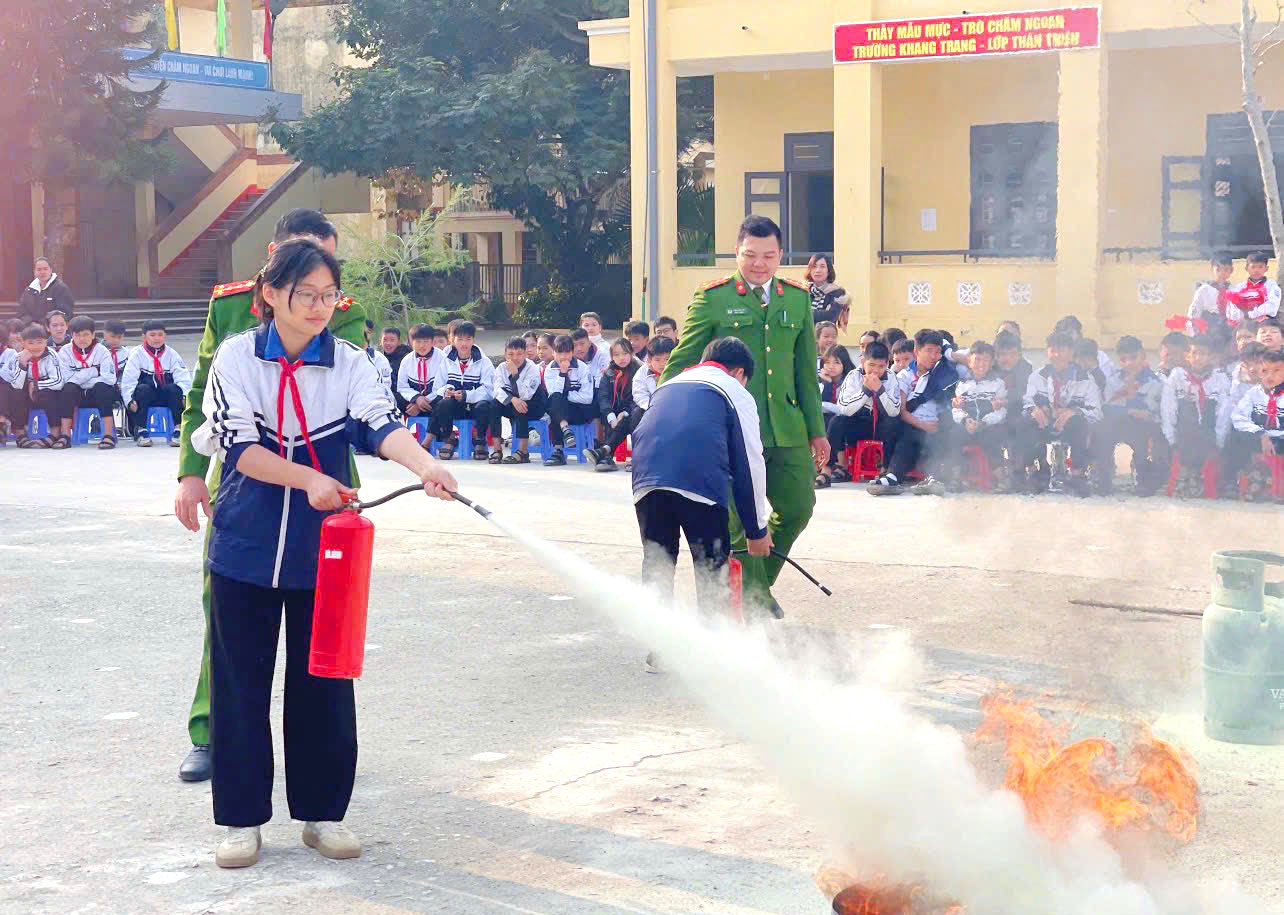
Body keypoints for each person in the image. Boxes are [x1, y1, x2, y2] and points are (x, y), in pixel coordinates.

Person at [189, 239, 457, 869]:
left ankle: (321, 813)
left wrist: (425, 466)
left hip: (326, 553)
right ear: (271, 295)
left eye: (327, 295)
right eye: (304, 294)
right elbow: (239, 447)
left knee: (325, 684)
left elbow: (380, 423)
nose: (317, 307)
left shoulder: (351, 363)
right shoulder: (236, 358)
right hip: (246, 547)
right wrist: (307, 479)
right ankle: (240, 822)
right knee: (240, 685)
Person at [173, 207, 371, 785]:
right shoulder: (229, 308)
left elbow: (355, 402)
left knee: (322, 621)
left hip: (322, 484)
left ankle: (318, 764)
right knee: (229, 611)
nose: (320, 293)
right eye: (304, 268)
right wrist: (190, 470)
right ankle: (212, 732)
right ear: (273, 261)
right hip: (246, 475)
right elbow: (199, 396)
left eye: (329, 276)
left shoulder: (347, 314)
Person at [659, 215, 827, 619]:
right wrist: (667, 413)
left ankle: (754, 588)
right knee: (737, 525)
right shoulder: (713, 297)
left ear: (781, 255)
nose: (759, 264)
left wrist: (817, 431)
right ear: (737, 253)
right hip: (728, 430)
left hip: (786, 427)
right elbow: (683, 361)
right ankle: (749, 604)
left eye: (768, 256)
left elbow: (806, 369)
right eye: (750, 255)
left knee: (799, 506)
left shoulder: (797, 297)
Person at [631, 336, 771, 666]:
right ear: (739, 372)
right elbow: (750, 461)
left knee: (658, 563)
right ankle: (715, 650)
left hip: (646, 482)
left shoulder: (669, 384)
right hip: (699, 485)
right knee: (710, 564)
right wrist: (756, 529)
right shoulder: (734, 391)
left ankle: (659, 648)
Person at [867, 329, 957, 496]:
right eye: (929, 350)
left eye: (937, 352)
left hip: (937, 425)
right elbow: (902, 411)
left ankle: (934, 478)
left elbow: (964, 356)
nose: (934, 355)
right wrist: (923, 425)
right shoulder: (905, 376)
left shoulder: (943, 374)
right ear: (917, 351)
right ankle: (893, 476)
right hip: (914, 424)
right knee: (909, 435)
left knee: (948, 425)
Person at [1015, 331, 1102, 494]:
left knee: (1079, 423)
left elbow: (1097, 412)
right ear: (1047, 352)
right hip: (1045, 424)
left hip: (1070, 427)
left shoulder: (1086, 380)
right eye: (1052, 350)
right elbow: (1027, 401)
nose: (1057, 355)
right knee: (1025, 423)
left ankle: (1076, 475)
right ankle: (1035, 471)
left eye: (1061, 350)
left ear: (1071, 353)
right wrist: (1034, 410)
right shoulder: (1037, 376)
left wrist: (1074, 412)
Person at [821, 340, 900, 487]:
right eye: (871, 365)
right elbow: (844, 408)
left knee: (893, 423)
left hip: (882, 425)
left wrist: (880, 390)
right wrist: (865, 391)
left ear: (887, 364)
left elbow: (894, 411)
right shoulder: (853, 376)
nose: (875, 371)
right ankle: (826, 470)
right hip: (859, 423)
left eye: (881, 366)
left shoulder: (891, 377)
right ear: (863, 361)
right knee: (837, 422)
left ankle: (885, 470)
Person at [1161, 334, 1232, 494]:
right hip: (1184, 432)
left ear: (1212, 357)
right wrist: (1171, 437)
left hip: (1209, 432)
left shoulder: (1220, 379)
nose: (1198, 358)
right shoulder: (1178, 376)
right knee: (1187, 413)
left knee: (1206, 421)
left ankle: (1199, 474)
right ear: (1187, 355)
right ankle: (1187, 472)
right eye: (1194, 353)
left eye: (1203, 353)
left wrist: (1219, 440)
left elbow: (1223, 413)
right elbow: (1168, 408)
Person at [1099, 336, 1165, 495]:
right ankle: (1103, 475)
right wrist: (1129, 410)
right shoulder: (1114, 379)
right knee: (1102, 430)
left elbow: (1150, 412)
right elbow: (1107, 407)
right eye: (1123, 359)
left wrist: (1130, 409)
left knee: (1142, 436)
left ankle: (1143, 477)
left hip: (1141, 426)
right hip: (1117, 423)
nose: (1129, 363)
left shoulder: (1154, 381)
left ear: (1143, 355)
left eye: (1133, 357)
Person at [121, 320, 190, 447]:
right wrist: (129, 400)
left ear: (165, 336)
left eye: (160, 334)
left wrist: (185, 396)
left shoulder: (172, 354)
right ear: (144, 336)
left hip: (165, 396)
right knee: (142, 389)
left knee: (174, 389)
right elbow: (128, 380)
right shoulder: (137, 354)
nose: (157, 338)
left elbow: (183, 378)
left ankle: (178, 429)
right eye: (152, 335)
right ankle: (141, 430)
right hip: (146, 398)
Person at [947, 341, 1008, 485]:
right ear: (969, 361)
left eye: (986, 360)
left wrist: (985, 421)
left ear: (992, 362)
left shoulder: (998, 383)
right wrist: (965, 420)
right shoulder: (962, 384)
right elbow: (956, 408)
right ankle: (956, 476)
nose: (981, 364)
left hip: (989, 425)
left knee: (990, 436)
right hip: (967, 425)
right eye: (977, 359)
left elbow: (1001, 409)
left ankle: (1001, 478)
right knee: (953, 434)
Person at [435, 320, 494, 461]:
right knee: (442, 403)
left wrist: (467, 395)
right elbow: (437, 387)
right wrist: (447, 391)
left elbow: (490, 390)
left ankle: (480, 440)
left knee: (484, 405)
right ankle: (449, 438)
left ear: (473, 340)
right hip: (455, 406)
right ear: (453, 340)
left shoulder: (484, 362)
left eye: (468, 339)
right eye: (460, 339)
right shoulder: (446, 360)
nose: (464, 344)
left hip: (474, 406)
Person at [4, 323, 71, 448]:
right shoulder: (17, 357)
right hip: (26, 397)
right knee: (15, 393)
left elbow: (58, 381)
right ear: (23, 343)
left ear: (46, 342)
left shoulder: (52, 356)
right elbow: (16, 384)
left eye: (40, 342)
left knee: (50, 393)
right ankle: (20, 434)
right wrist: (23, 364)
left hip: (46, 394)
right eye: (31, 343)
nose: (35, 347)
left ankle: (55, 434)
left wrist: (36, 385)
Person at [58, 315, 119, 448]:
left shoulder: (102, 351)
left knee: (102, 387)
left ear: (93, 335)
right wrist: (93, 371)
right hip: (77, 394)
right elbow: (66, 379)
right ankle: (65, 435)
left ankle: (108, 435)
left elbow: (109, 378)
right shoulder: (65, 352)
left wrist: (80, 379)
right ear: (72, 335)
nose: (82, 339)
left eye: (86, 334)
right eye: (77, 335)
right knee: (68, 389)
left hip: (98, 393)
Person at [1230, 349, 1284, 498]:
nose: (1269, 376)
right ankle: (1254, 480)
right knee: (1237, 437)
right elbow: (1238, 417)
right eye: (1265, 371)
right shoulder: (1254, 393)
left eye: (1276, 371)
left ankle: (1271, 483)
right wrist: (1260, 433)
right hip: (1260, 438)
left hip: (1281, 440)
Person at [586, 338, 642, 472]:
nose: (621, 358)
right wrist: (611, 416)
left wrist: (625, 412)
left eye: (625, 353)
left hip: (633, 411)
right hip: (615, 412)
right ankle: (607, 455)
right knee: (605, 413)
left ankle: (605, 452)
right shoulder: (609, 372)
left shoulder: (639, 371)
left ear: (631, 353)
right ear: (612, 356)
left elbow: (638, 397)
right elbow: (603, 396)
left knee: (631, 416)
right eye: (616, 354)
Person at [489, 336, 547, 464]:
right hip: (512, 401)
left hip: (534, 405)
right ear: (505, 354)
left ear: (525, 354)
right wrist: (512, 399)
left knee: (521, 405)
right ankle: (497, 449)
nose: (515, 358)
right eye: (510, 354)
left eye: (519, 354)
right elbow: (497, 391)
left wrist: (515, 375)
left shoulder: (532, 368)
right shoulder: (501, 368)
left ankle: (523, 452)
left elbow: (526, 394)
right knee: (493, 405)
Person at [542, 334, 597, 466]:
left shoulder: (582, 368)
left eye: (567, 353)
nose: (563, 357)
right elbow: (553, 393)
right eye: (559, 353)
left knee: (555, 406)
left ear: (572, 353)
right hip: (560, 410)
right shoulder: (549, 369)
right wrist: (562, 373)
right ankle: (564, 432)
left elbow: (587, 398)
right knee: (554, 402)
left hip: (580, 411)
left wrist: (566, 397)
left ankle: (558, 451)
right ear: (553, 353)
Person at [1219, 341, 1267, 485]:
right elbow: (1234, 406)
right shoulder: (1238, 377)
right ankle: (1235, 477)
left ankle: (1264, 478)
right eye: (1247, 364)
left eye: (1258, 363)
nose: (1252, 369)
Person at [395, 323, 446, 450]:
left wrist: (421, 403)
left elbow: (443, 386)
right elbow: (402, 386)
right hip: (412, 401)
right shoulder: (407, 360)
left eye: (426, 341)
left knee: (443, 401)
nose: (422, 345)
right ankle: (399, 440)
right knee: (394, 399)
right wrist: (416, 399)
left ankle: (428, 442)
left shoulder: (442, 358)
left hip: (433, 400)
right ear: (411, 342)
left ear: (432, 342)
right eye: (418, 341)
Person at [1188, 252, 1239, 346]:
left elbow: (1237, 313)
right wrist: (1195, 334)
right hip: (1209, 328)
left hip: (1228, 331)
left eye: (1226, 270)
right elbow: (1194, 312)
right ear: (1212, 269)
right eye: (1218, 269)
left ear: (1231, 270)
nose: (1222, 273)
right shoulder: (1204, 290)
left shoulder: (1234, 290)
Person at [17, 257, 75, 326]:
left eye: (45, 269)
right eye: (39, 269)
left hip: (52, 329)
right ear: (34, 271)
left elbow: (64, 313)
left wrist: (43, 324)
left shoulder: (61, 288)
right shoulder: (29, 290)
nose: (42, 272)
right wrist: (31, 324)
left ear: (50, 270)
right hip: (30, 329)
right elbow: (22, 312)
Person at [817, 342, 856, 436]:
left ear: (844, 364)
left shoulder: (851, 382)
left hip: (847, 422)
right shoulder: (820, 383)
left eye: (836, 362)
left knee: (835, 420)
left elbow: (844, 409)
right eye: (827, 362)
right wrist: (826, 383)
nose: (831, 366)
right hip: (828, 422)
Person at [1230, 251, 1281, 322]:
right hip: (1243, 322)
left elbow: (1272, 305)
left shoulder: (1271, 285)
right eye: (1253, 267)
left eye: (1260, 267)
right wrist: (1242, 316)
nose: (1256, 270)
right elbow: (1233, 306)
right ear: (1246, 268)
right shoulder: (1239, 287)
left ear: (1266, 268)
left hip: (1265, 322)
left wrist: (1251, 314)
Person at [804, 254, 851, 330]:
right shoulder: (803, 291)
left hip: (826, 337)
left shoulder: (838, 292)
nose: (817, 270)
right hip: (805, 337)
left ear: (828, 271)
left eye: (822, 266)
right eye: (814, 266)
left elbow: (830, 317)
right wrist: (821, 312)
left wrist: (806, 313)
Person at [632, 335, 675, 413]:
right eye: (657, 359)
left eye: (667, 359)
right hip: (651, 409)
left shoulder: (678, 370)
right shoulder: (642, 372)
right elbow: (640, 394)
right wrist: (651, 407)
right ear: (650, 359)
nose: (662, 364)